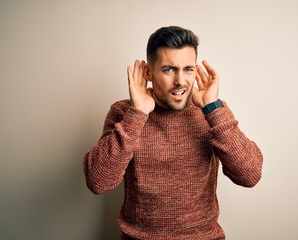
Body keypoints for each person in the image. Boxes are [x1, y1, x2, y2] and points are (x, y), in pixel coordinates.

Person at [83, 26, 263, 240]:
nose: (180, 81)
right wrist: (137, 113)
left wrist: (213, 109)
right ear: (149, 72)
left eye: (188, 69)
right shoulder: (124, 113)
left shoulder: (212, 111)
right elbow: (98, 181)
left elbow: (250, 175)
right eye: (169, 69)